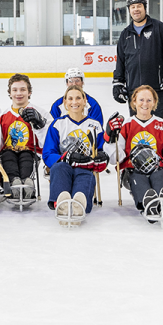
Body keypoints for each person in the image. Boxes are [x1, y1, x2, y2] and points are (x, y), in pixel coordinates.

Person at [105, 85, 163, 221]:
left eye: (149, 100)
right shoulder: (126, 125)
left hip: (156, 167)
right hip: (132, 170)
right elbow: (116, 158)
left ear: (154, 102)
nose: (145, 104)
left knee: (159, 175)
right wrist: (110, 137)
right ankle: (148, 202)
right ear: (134, 102)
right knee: (139, 179)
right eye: (141, 100)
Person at [42, 85, 108, 225]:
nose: (74, 102)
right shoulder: (57, 124)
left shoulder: (94, 125)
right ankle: (62, 205)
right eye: (70, 98)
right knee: (59, 168)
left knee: (85, 174)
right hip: (63, 166)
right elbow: (48, 154)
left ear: (85, 101)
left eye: (78, 98)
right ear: (65, 102)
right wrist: (67, 157)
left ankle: (79, 205)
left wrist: (102, 157)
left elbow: (102, 151)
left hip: (85, 167)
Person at [112, 0, 163, 117]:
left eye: (139, 6)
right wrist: (118, 82)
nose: (136, 9)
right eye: (133, 7)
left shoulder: (158, 28)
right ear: (129, 10)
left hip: (157, 89)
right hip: (134, 92)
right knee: (137, 130)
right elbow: (121, 61)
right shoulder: (125, 34)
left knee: (159, 128)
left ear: (144, 8)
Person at [0, 74, 49, 198]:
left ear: (29, 92)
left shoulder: (41, 113)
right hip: (8, 152)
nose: (18, 93)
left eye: (23, 89)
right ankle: (14, 183)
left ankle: (27, 184)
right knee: (9, 159)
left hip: (30, 152)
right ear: (9, 93)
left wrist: (40, 124)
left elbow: (48, 138)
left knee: (26, 160)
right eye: (14, 90)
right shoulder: (3, 116)